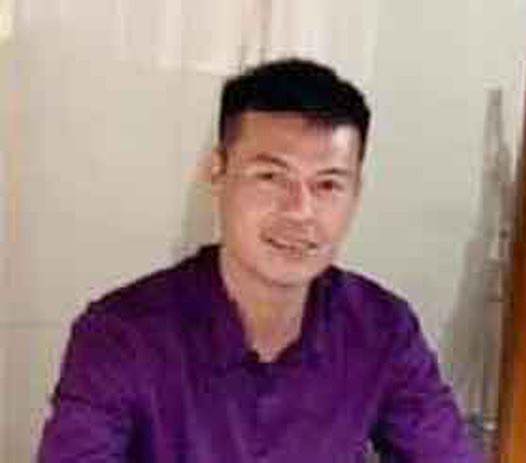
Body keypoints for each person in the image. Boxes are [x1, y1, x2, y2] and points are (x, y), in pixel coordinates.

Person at [38, 59, 481, 462]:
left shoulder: (382, 329)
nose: (300, 211)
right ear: (217, 172)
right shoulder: (121, 337)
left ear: (356, 193)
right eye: (271, 177)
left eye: (328, 185)